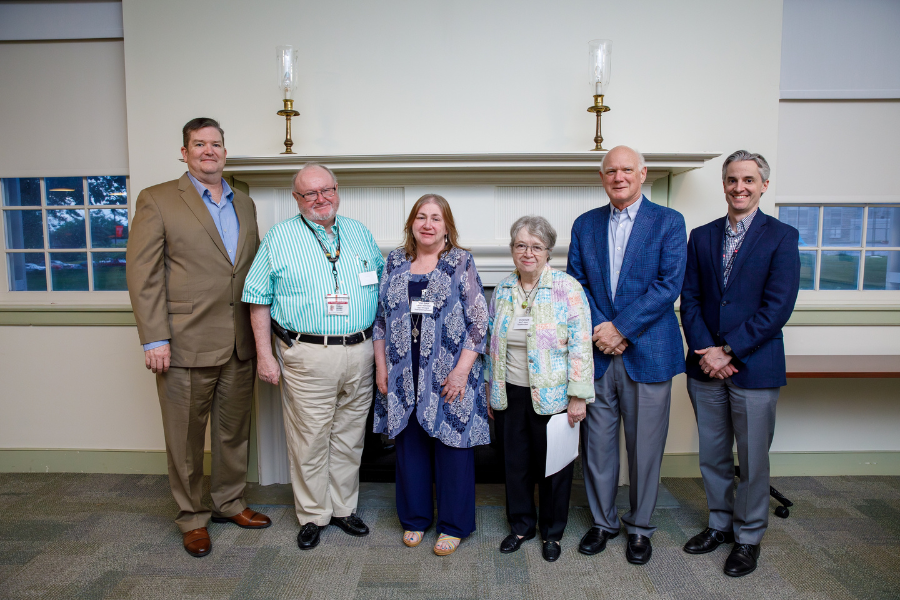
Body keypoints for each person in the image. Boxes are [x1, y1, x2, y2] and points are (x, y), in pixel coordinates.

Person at [126, 117, 270, 558]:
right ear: (184, 152)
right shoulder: (157, 199)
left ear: (225, 151)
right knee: (186, 440)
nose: (209, 151)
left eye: (216, 144)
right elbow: (143, 274)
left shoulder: (244, 202)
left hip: (239, 341)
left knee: (233, 433)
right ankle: (191, 517)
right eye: (199, 144)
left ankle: (229, 503)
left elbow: (248, 271)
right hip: (184, 341)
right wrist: (155, 338)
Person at [242, 163, 384, 551]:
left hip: (361, 351)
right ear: (296, 198)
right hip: (307, 354)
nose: (320, 199)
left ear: (337, 190)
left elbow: (382, 285)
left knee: (350, 438)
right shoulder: (279, 238)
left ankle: (343, 509)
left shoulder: (359, 232)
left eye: (327, 190)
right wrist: (265, 356)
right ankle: (313, 515)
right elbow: (257, 299)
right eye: (310, 193)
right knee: (310, 439)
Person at [680, 150, 800, 577]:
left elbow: (778, 307)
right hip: (704, 367)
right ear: (724, 184)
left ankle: (748, 538)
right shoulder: (702, 235)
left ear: (763, 185)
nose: (739, 187)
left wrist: (728, 351)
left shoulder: (782, 236)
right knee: (713, 455)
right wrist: (707, 351)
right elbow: (690, 299)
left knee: (752, 461)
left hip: (754, 366)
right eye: (732, 179)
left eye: (748, 180)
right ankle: (719, 525)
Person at [567, 145, 687, 565]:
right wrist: (604, 330)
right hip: (598, 352)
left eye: (627, 170)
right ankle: (603, 523)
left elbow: (668, 285)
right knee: (597, 446)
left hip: (649, 351)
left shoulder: (669, 222)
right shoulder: (585, 224)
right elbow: (577, 283)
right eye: (611, 171)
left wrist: (621, 329)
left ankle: (640, 527)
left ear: (642, 173)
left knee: (645, 448)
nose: (619, 177)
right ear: (602, 177)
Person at [373, 194, 489, 556]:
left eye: (435, 218)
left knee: (453, 448)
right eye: (421, 217)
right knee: (410, 448)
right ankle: (415, 518)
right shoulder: (395, 261)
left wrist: (461, 373)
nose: (427, 224)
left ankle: (454, 526)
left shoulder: (460, 261)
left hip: (449, 375)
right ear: (411, 223)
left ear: (446, 226)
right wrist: (381, 368)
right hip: (402, 373)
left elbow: (479, 322)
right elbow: (380, 320)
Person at [486, 215, 594, 562]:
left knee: (555, 468)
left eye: (536, 246)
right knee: (514, 465)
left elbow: (581, 345)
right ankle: (521, 526)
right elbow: (491, 344)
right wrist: (490, 388)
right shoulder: (503, 289)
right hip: (510, 392)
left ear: (549, 251)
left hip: (555, 396)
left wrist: (578, 395)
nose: (527, 252)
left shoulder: (567, 288)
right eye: (521, 245)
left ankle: (552, 533)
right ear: (512, 250)